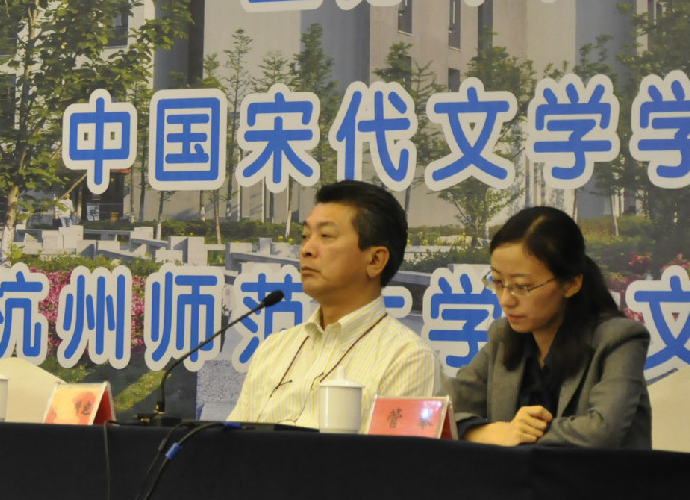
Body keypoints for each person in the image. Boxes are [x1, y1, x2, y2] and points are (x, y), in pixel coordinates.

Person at [226, 180, 439, 427]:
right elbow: (235, 442)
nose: (306, 249)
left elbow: (396, 453)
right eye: (305, 236)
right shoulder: (273, 349)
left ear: (375, 260)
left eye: (326, 236)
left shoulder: (408, 359)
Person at [451, 206, 650, 448]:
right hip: (514, 474)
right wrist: (484, 432)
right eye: (498, 282)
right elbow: (440, 410)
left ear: (571, 284)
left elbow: (602, 431)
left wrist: (518, 433)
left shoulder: (619, 340)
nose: (505, 300)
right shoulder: (503, 336)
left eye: (522, 286)